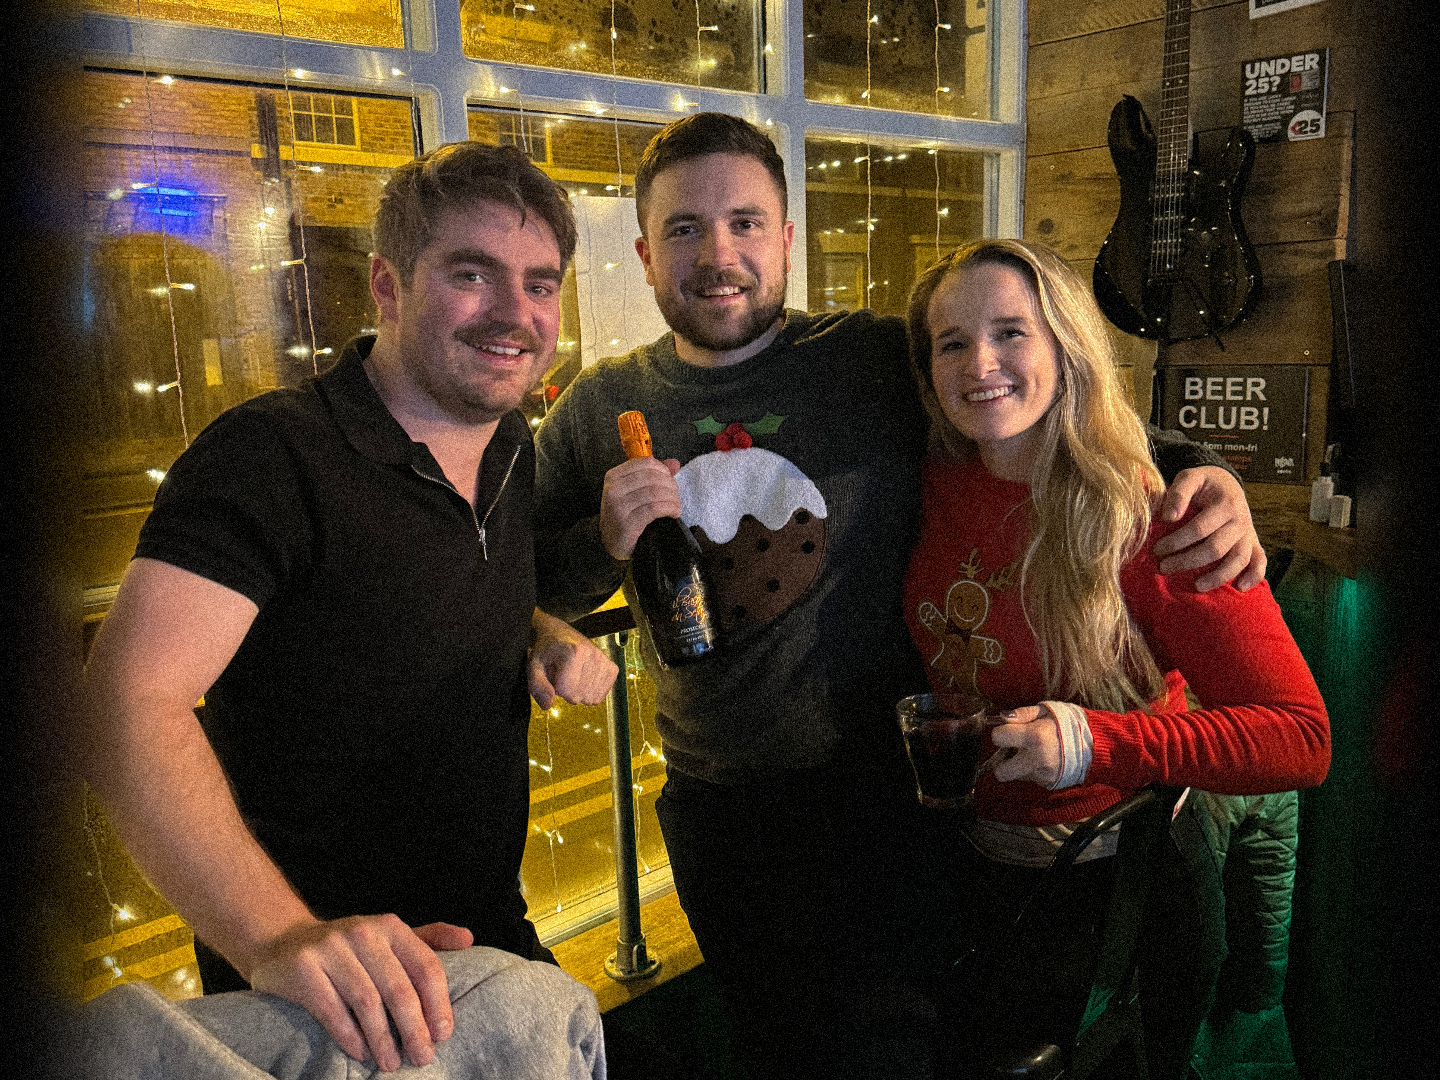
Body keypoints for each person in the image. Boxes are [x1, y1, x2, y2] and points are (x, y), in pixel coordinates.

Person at [532, 112, 1265, 1079]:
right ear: (643, 252)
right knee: (771, 1046)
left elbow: (1037, 408)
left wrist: (1203, 469)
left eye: (746, 223)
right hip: (721, 811)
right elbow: (519, 576)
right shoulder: (597, 406)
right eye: (684, 229)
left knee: (905, 1044)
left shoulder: (869, 356)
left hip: (887, 788)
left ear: (786, 239)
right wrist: (600, 543)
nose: (718, 255)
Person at [80, 142, 618, 1075]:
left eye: (540, 283)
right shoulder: (270, 456)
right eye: (471, 274)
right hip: (329, 990)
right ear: (386, 286)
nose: (515, 312)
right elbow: (125, 702)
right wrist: (280, 937)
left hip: (489, 932)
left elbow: (421, 582)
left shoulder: (509, 442)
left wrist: (538, 630)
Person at [901, 239, 1330, 1077]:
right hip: (975, 875)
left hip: (1122, 891)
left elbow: (1301, 737)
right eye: (952, 342)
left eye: (1011, 332)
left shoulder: (1155, 518)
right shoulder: (932, 478)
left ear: (1067, 345)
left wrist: (1093, 743)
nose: (980, 363)